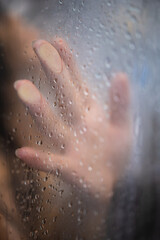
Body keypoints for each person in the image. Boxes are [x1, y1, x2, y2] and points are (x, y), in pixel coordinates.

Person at [0, 11, 132, 240]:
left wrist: (93, 203)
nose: (19, 16)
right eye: (6, 12)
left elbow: (48, 233)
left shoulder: (21, 130)